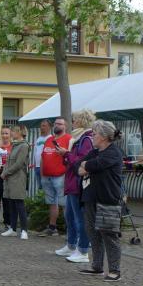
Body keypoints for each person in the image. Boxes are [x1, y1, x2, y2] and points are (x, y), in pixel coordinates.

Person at [78, 120, 124, 281]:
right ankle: (97, 266)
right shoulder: (95, 152)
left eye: (94, 134)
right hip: (90, 197)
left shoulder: (114, 152)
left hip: (108, 199)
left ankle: (115, 270)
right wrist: (86, 165)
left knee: (109, 234)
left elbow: (95, 165)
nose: (92, 137)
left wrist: (87, 166)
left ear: (103, 136)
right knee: (92, 232)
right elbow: (79, 167)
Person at [55, 109, 95, 262]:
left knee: (80, 219)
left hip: (78, 183)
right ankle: (71, 245)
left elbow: (81, 161)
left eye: (74, 120)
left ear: (81, 121)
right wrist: (66, 155)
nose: (72, 123)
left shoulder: (86, 139)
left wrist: (66, 154)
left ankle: (83, 251)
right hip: (72, 181)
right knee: (70, 216)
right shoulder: (79, 137)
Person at [38, 117, 71, 237]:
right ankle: (52, 228)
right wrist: (42, 174)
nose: (57, 125)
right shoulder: (49, 139)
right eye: (56, 123)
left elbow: (71, 157)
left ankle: (70, 231)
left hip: (60, 176)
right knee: (52, 203)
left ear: (65, 126)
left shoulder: (69, 139)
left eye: (60, 124)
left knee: (65, 204)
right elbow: (43, 157)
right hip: (46, 176)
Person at [0, 126, 30, 239]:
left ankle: (24, 230)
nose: (11, 133)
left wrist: (6, 172)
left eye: (13, 131)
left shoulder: (24, 146)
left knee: (19, 203)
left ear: (19, 132)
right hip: (10, 178)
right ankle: (12, 229)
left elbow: (19, 164)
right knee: (11, 203)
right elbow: (9, 162)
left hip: (18, 178)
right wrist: (5, 172)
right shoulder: (15, 145)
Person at [33, 119, 51, 189]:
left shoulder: (51, 138)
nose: (42, 127)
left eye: (44, 126)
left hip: (45, 167)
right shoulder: (38, 139)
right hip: (37, 167)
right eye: (41, 126)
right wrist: (35, 165)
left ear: (49, 127)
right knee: (40, 188)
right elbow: (35, 152)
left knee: (46, 188)